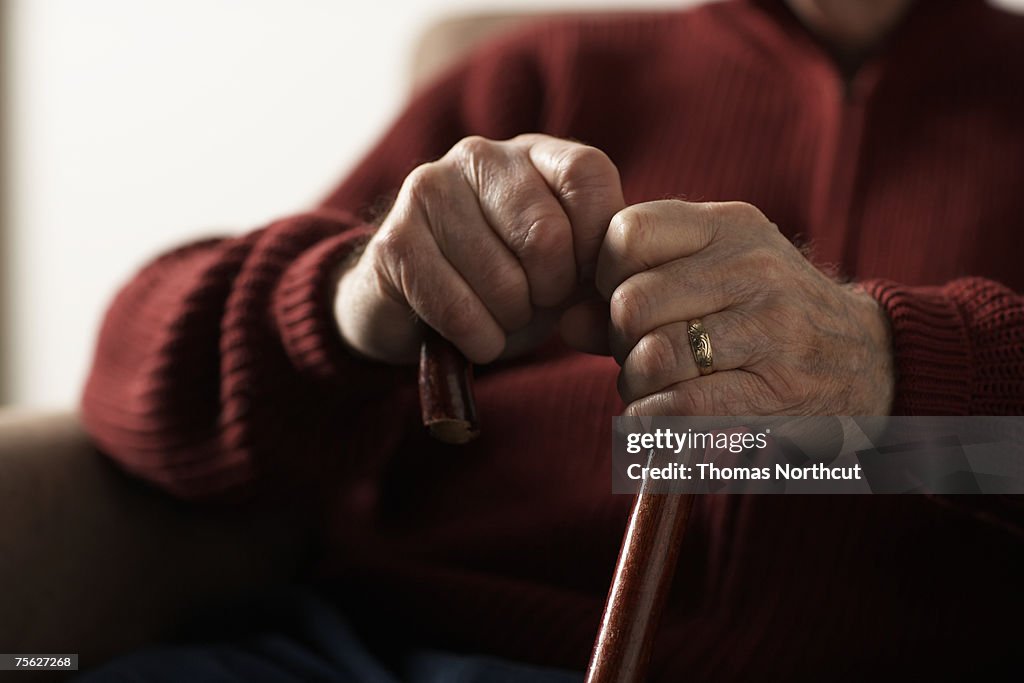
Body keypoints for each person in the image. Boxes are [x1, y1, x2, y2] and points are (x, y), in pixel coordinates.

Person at [78, 0, 1023, 680]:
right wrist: (347, 301)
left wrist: (901, 371)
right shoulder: (542, 71)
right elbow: (132, 389)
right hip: (387, 649)